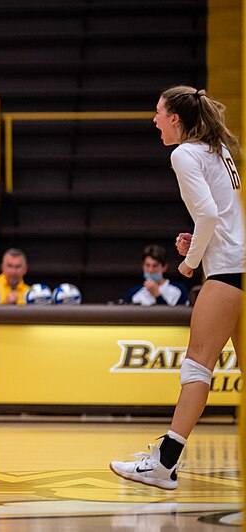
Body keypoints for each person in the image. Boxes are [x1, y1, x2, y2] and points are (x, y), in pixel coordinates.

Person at [110, 86, 244, 490]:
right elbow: (220, 217)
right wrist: (198, 245)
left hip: (227, 273)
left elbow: (207, 213)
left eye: (158, 113)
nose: (154, 120)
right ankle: (164, 459)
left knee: (197, 366)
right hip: (239, 266)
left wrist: (188, 262)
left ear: (175, 120)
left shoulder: (183, 153)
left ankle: (164, 463)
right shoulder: (217, 150)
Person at [123, 244, 188, 306]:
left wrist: (157, 295)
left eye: (155, 266)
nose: (150, 270)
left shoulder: (178, 291)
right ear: (143, 266)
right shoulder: (133, 293)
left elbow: (174, 316)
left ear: (164, 267)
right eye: (147, 265)